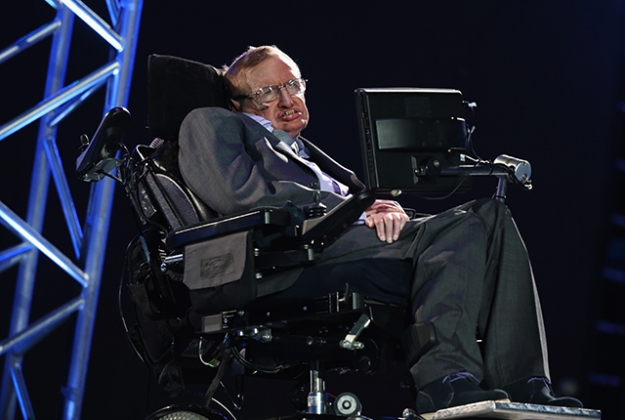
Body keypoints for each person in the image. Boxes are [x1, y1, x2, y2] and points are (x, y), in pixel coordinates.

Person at [176, 45, 582, 417]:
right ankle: (442, 381)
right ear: (238, 102)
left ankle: (525, 382)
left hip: (343, 238)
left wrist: (380, 205)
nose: (287, 100)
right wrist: (357, 206)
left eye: (293, 85)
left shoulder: (304, 152)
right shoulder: (211, 122)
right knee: (464, 226)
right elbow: (239, 195)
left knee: (491, 216)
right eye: (268, 92)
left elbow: (352, 198)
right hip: (289, 253)